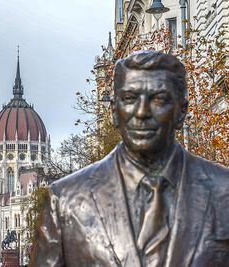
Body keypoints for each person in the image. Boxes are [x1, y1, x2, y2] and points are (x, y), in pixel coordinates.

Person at [29, 51, 229, 267]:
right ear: (115, 110)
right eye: (130, 99)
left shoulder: (223, 191)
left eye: (159, 99)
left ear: (182, 112)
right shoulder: (66, 200)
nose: (142, 112)